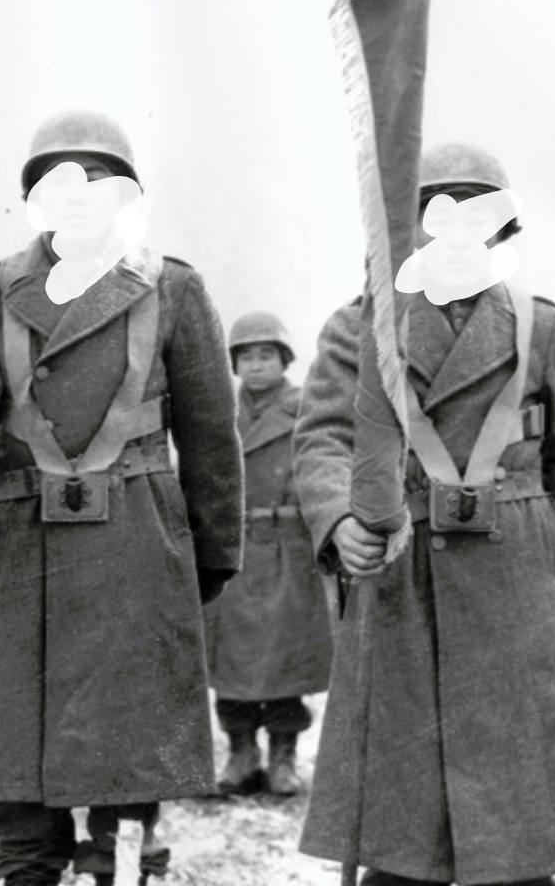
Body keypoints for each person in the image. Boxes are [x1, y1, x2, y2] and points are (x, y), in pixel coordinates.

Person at [0, 108, 244, 886]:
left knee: (122, 758)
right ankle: (23, 865)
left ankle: (115, 865)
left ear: (129, 196)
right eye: (60, 180)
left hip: (137, 541)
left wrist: (211, 554)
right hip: (28, 548)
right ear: (35, 200)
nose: (81, 194)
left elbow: (210, 436)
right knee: (21, 748)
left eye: (101, 179)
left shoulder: (175, 288)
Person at [295, 143, 555, 886]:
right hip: (402, 577)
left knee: (518, 825)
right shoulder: (361, 327)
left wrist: (522, 522)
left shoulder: (539, 325)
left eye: (476, 217)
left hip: (514, 586)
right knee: (402, 825)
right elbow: (321, 438)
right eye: (436, 215)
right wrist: (340, 519)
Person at [206, 311, 332, 798]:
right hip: (231, 549)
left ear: (284, 360)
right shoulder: (217, 410)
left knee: (285, 659)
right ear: (234, 364)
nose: (256, 366)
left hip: (288, 546)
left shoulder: (306, 408)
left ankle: (283, 756)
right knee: (231, 663)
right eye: (246, 357)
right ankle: (241, 753)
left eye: (266, 355)